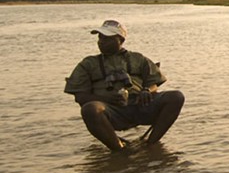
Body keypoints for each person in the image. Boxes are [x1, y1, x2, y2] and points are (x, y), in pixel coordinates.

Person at [64, 20, 185, 151]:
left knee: (176, 97)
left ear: (120, 39)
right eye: (100, 37)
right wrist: (108, 100)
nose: (101, 41)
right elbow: (80, 97)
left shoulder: (138, 58)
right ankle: (119, 150)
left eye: (107, 38)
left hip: (140, 106)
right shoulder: (88, 64)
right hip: (112, 111)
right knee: (90, 109)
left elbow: (154, 84)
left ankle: (151, 144)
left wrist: (147, 91)